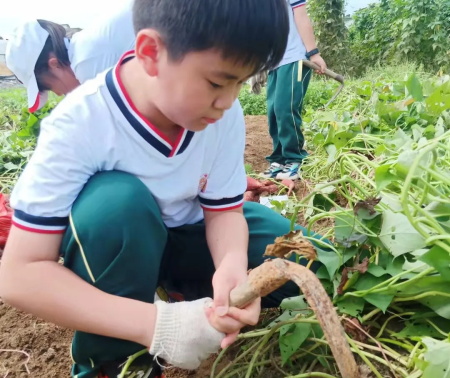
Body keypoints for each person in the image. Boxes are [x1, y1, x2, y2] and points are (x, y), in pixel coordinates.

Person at [0, 1, 328, 377]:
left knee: (319, 263)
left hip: (191, 232)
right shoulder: (78, 125)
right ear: (151, 53)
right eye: (218, 82)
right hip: (125, 245)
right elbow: (19, 274)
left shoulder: (224, 114)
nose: (228, 102)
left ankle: (186, 290)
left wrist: (232, 268)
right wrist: (156, 325)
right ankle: (116, 360)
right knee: (115, 205)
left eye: (241, 82)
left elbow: (224, 212)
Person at [5, 0, 134, 113]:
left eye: (49, 87)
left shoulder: (88, 65)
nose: (59, 93)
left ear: (54, 64)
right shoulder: (86, 46)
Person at [262, 0, 327, 180]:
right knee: (273, 112)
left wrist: (313, 53)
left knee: (285, 109)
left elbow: (301, 16)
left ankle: (295, 157)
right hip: (274, 62)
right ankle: (280, 158)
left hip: (294, 57)